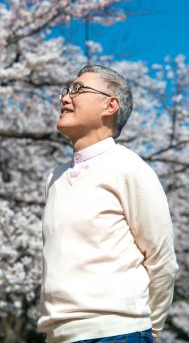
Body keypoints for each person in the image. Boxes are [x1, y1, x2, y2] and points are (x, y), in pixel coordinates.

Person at [37, 64, 178, 343]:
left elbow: (162, 260)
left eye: (78, 89)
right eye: (67, 90)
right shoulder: (54, 178)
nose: (65, 98)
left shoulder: (129, 168)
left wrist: (151, 329)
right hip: (57, 335)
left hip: (116, 333)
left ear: (110, 106)